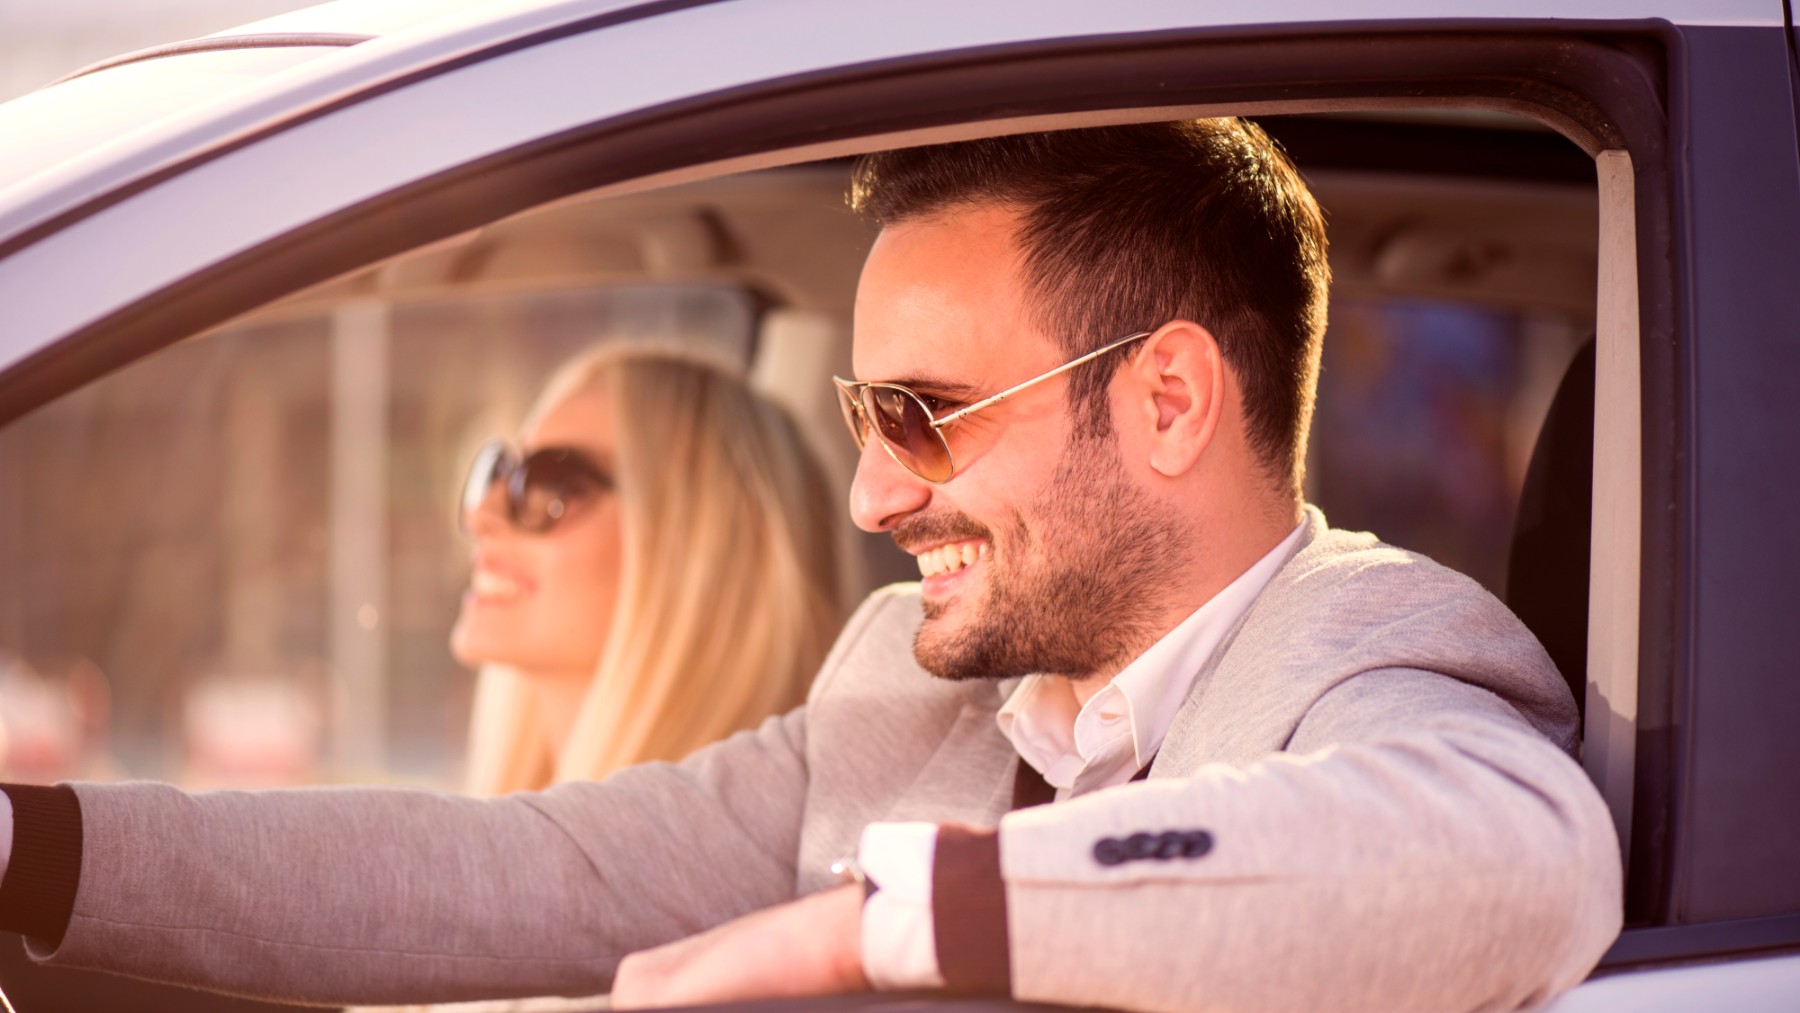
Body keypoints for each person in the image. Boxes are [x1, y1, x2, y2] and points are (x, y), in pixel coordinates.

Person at [0, 119, 1621, 1013]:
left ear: (1170, 398)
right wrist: (38, 850)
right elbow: (521, 875)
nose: (867, 494)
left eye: (921, 414)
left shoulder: (1369, 645)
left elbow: (1510, 859)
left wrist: (864, 925)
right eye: (862, 414)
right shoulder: (897, 701)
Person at [451, 345, 847, 796]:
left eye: (550, 483)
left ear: (699, 548)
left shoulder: (699, 858)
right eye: (502, 471)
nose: (481, 514)